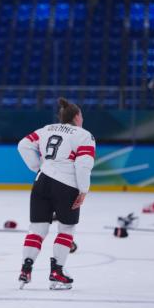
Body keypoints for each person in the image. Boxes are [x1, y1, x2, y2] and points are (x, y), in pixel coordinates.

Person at [17, 97, 95, 290]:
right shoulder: (83, 135)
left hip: (41, 181)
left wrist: (38, 167)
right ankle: (56, 272)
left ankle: (25, 269)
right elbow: (83, 164)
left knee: (37, 229)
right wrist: (83, 190)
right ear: (77, 116)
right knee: (66, 230)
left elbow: (23, 145)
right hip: (66, 184)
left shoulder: (47, 129)